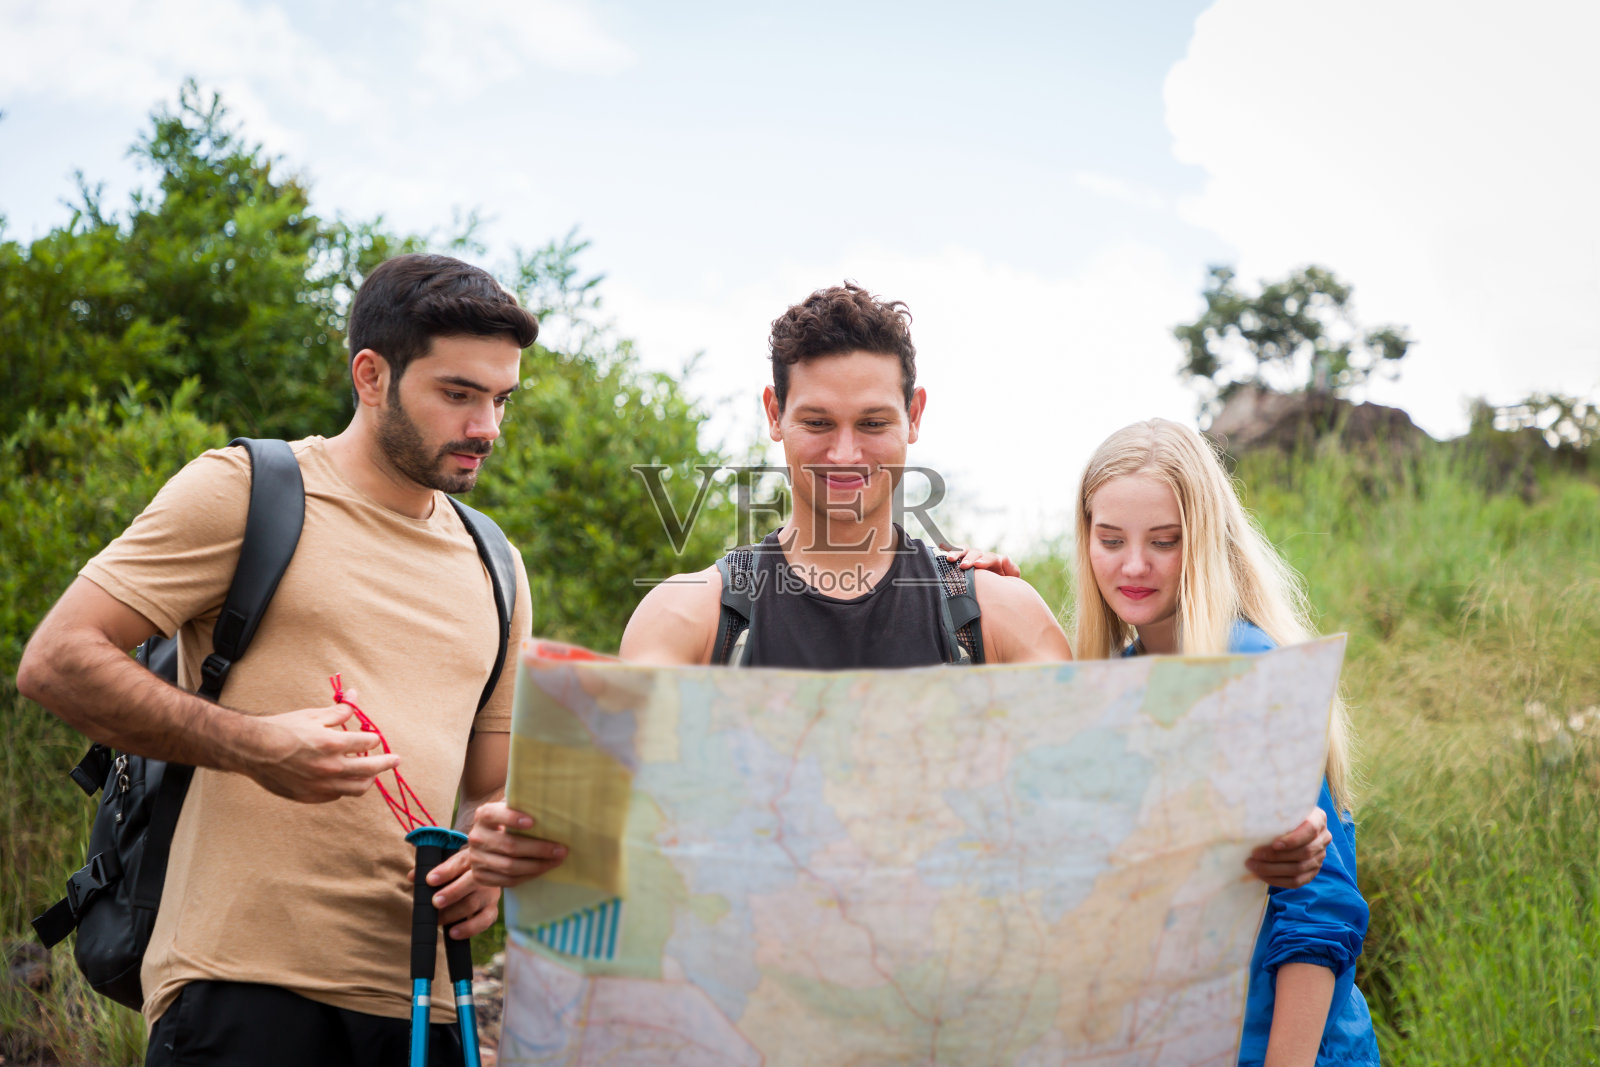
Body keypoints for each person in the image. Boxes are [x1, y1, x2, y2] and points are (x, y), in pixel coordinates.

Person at [466, 282, 1329, 891]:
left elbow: (1099, 828)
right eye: (817, 422)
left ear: (915, 416)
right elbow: (610, 820)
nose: (846, 454)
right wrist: (524, 838)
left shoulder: (997, 617)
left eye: (874, 422)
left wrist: (1255, 848)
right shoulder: (690, 618)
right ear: (772, 414)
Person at [18, 253, 566, 1067]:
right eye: (458, 393)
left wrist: (487, 861)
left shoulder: (498, 564)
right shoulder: (248, 489)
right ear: (371, 375)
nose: (486, 426)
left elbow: (492, 784)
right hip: (239, 990)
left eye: (500, 398)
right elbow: (57, 660)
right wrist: (255, 744)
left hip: (422, 1008)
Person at [1073, 418, 1380, 1066]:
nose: (1134, 564)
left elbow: (1318, 912)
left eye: (1164, 541)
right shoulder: (1121, 679)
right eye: (1111, 539)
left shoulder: (1248, 670)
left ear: (1205, 539)